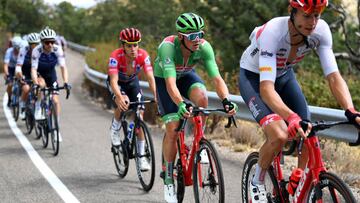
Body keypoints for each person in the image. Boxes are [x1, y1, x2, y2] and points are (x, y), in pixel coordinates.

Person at [238, 0, 360, 202]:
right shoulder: (273, 33)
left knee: (308, 130)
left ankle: (299, 179)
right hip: (254, 77)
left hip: (284, 75)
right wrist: (291, 117)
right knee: (279, 135)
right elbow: (267, 90)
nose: (312, 22)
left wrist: (350, 110)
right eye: (306, 15)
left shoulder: (321, 31)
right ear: (292, 12)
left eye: (317, 16)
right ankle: (256, 181)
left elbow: (333, 77)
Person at [154, 12, 237, 202]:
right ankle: (168, 178)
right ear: (181, 36)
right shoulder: (167, 48)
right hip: (166, 79)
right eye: (192, 36)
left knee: (202, 99)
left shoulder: (204, 47)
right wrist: (181, 104)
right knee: (173, 127)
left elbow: (216, 78)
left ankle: (197, 141)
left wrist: (226, 100)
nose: (197, 39)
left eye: (200, 34)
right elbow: (170, 84)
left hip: (186, 76)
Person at [107, 27, 157, 171]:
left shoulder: (143, 55)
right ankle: (115, 129)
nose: (133, 48)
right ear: (123, 46)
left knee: (139, 116)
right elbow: (113, 81)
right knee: (123, 102)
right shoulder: (115, 56)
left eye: (136, 44)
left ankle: (141, 157)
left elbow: (150, 78)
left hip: (132, 83)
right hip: (118, 84)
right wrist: (119, 96)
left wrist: (156, 96)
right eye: (129, 45)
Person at [31, 27, 70, 142]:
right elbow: (33, 69)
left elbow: (63, 67)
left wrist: (66, 82)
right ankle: (38, 106)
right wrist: (35, 83)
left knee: (56, 101)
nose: (50, 44)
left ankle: (57, 130)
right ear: (42, 42)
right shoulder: (36, 51)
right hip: (40, 74)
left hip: (51, 74)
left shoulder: (57, 49)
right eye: (47, 42)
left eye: (52, 41)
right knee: (41, 84)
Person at [15, 33, 40, 119]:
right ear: (29, 44)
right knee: (26, 89)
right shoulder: (23, 50)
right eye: (33, 44)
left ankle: (38, 107)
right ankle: (22, 105)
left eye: (37, 44)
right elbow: (18, 66)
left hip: (36, 72)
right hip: (25, 72)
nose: (35, 46)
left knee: (40, 88)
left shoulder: (40, 50)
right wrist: (20, 76)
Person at [3, 36, 22, 107]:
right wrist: (7, 74)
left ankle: (20, 95)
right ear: (13, 46)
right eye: (16, 47)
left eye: (19, 47)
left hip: (19, 68)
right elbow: (5, 65)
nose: (18, 49)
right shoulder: (9, 51)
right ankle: (9, 99)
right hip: (10, 69)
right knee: (10, 84)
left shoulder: (22, 51)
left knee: (22, 81)